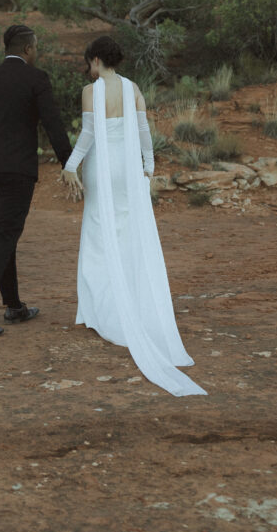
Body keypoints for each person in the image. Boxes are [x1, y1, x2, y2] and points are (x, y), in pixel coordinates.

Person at [62, 36, 206, 397]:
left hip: (102, 169)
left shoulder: (90, 91)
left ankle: (98, 312)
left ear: (96, 59)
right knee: (127, 233)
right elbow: (144, 132)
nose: (89, 69)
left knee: (98, 235)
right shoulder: (133, 88)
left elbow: (90, 134)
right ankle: (128, 299)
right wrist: (149, 166)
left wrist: (70, 166)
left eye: (89, 62)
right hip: (127, 170)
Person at [0, 24, 72, 338]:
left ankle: (14, 306)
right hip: (17, 170)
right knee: (4, 236)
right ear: (27, 50)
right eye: (36, 48)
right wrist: (70, 164)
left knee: (4, 235)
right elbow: (53, 126)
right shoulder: (36, 79)